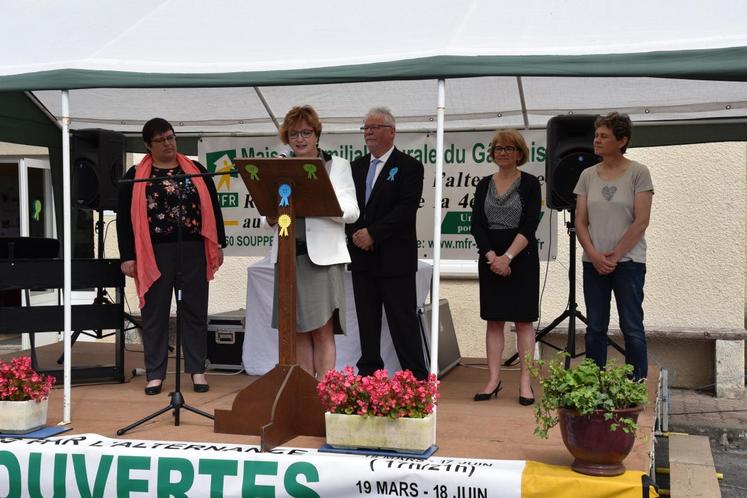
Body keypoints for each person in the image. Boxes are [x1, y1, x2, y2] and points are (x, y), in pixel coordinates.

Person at [117, 117, 226, 395]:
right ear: (147, 145)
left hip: (193, 248)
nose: (168, 143)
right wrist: (127, 255)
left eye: (171, 137)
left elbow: (213, 208)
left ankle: (197, 370)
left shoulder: (195, 169)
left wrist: (219, 245)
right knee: (154, 313)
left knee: (194, 310)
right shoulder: (135, 175)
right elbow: (124, 221)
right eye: (161, 140)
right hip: (153, 251)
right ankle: (155, 374)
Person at [267, 105, 359, 379]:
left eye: (306, 132)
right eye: (293, 134)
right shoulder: (279, 168)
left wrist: (320, 200)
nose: (300, 139)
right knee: (296, 330)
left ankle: (325, 392)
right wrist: (271, 214)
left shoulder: (337, 165)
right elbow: (266, 216)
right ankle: (306, 395)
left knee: (321, 330)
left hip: (321, 261)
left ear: (317, 135)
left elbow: (352, 212)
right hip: (288, 258)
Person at [346, 107, 428, 380]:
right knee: (367, 322)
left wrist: (374, 234)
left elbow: (405, 209)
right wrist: (359, 234)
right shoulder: (355, 167)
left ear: (391, 132)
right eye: (365, 127)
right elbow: (348, 207)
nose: (368, 131)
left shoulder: (410, 167)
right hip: (362, 258)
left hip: (395, 259)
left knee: (402, 321)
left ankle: (414, 377)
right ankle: (369, 374)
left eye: (374, 127)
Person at [574, 112, 653, 380]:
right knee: (595, 326)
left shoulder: (638, 173)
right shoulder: (586, 175)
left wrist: (615, 256)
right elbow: (580, 222)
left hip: (629, 264)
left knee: (632, 327)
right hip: (593, 263)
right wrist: (595, 256)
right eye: (596, 135)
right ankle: (593, 385)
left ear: (622, 140)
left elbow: (641, 221)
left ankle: (635, 385)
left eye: (603, 136)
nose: (596, 140)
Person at [470, 129, 541, 405]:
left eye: (509, 148)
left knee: (523, 321)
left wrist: (507, 258)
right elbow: (477, 224)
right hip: (490, 257)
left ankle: (525, 382)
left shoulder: (531, 183)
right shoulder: (484, 183)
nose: (503, 153)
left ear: (520, 153)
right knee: (494, 320)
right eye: (498, 148)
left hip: (520, 257)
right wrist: (492, 257)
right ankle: (493, 379)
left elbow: (529, 224)